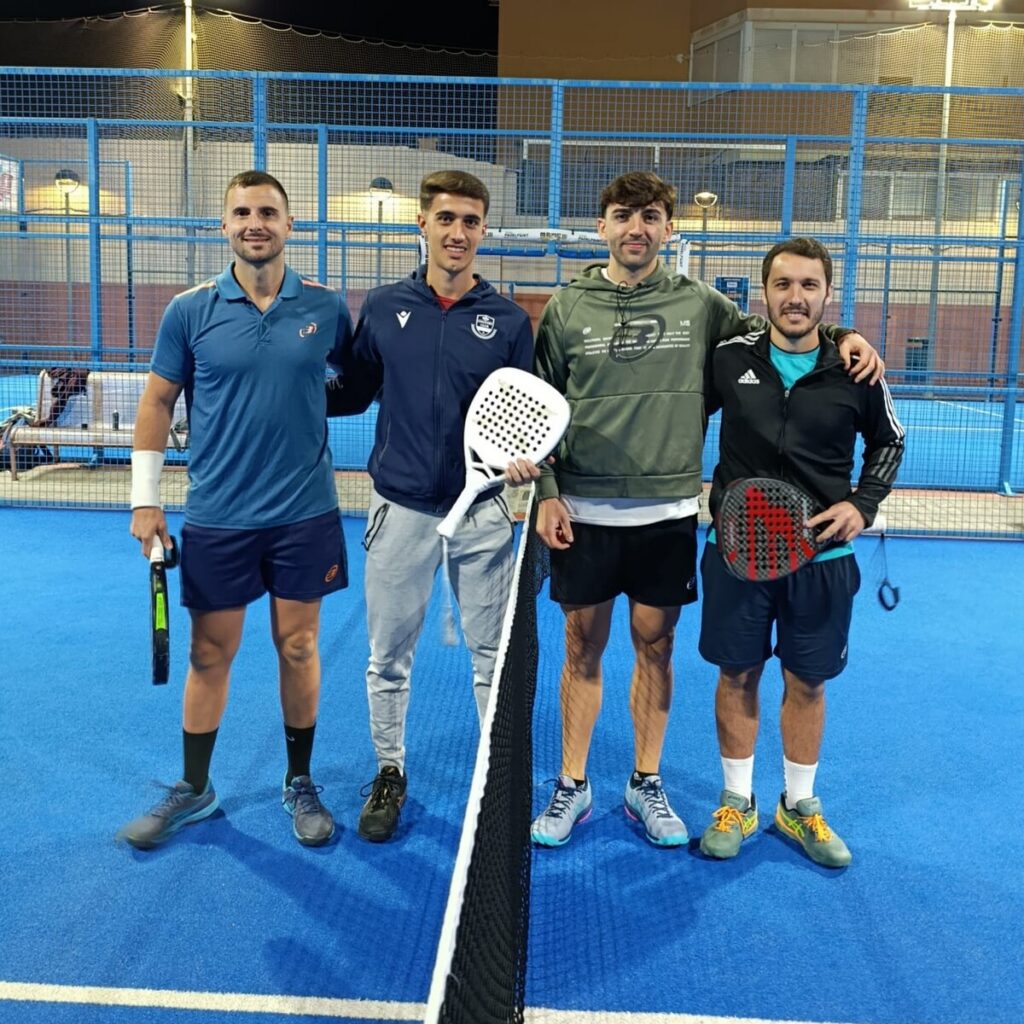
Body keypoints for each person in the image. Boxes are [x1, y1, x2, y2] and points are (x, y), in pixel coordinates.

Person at [530, 172, 883, 849]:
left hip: (665, 512)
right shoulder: (566, 308)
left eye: (653, 216)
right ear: (602, 226)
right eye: (624, 215)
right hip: (583, 509)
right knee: (581, 648)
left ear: (669, 229)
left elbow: (783, 327)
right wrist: (546, 494)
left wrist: (843, 335)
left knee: (655, 648)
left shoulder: (703, 306)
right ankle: (572, 786)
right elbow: (543, 406)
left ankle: (646, 781)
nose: (638, 227)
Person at [119, 170, 352, 850]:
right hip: (218, 514)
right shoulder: (189, 311)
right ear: (224, 225)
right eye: (243, 212)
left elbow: (357, 382)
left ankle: (299, 781)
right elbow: (157, 402)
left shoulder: (326, 307)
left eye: (269, 212)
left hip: (305, 513)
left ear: (289, 224)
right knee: (210, 652)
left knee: (300, 645)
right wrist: (144, 499)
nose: (256, 223)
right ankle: (195, 788)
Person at [326, 170, 538, 843]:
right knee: (388, 655)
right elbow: (353, 391)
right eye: (446, 218)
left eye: (471, 221)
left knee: (490, 658)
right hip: (401, 511)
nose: (458, 232)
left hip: (482, 514)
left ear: (483, 231)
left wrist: (525, 466)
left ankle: (496, 774)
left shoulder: (507, 321)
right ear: (422, 224)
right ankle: (389, 771)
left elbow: (524, 415)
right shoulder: (386, 306)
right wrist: (286, 380)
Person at [697, 237, 904, 867]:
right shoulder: (728, 358)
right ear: (764, 293)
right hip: (737, 551)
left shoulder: (855, 369)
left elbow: (889, 442)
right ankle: (738, 800)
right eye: (783, 284)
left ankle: (798, 806)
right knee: (737, 673)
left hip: (823, 559)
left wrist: (863, 505)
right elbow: (676, 416)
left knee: (807, 681)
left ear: (827, 294)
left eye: (809, 286)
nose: (796, 297)